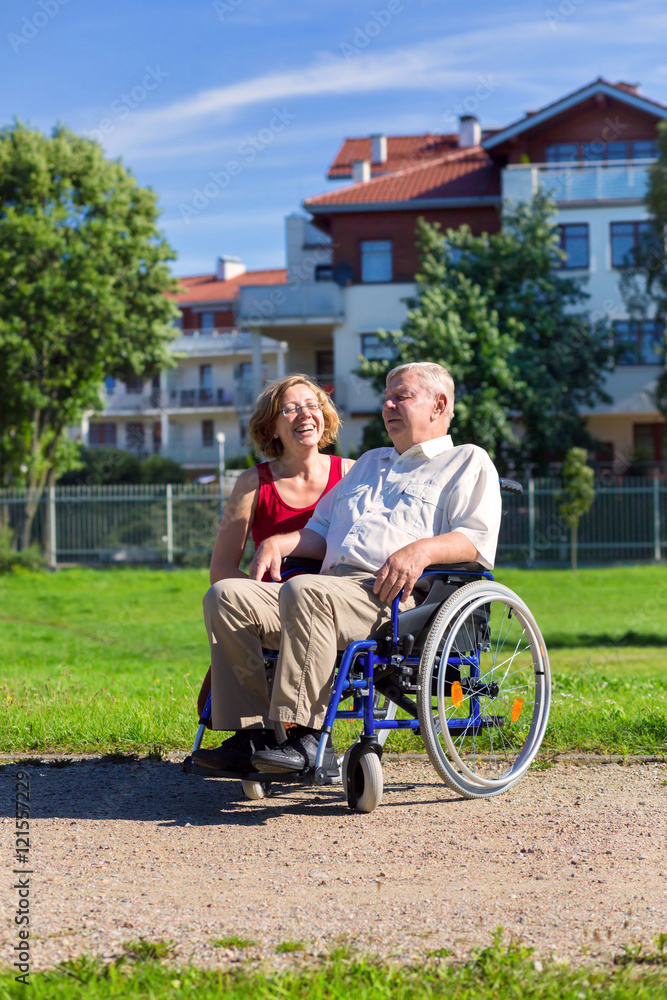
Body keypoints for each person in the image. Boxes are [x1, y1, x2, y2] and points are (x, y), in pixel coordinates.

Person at [194, 361, 502, 775]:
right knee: (227, 596)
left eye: (401, 396)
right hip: (327, 591)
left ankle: (305, 738)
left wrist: (420, 552)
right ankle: (251, 737)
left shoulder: (467, 461)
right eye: (386, 398)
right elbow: (319, 531)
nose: (388, 405)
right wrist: (279, 541)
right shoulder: (369, 464)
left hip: (390, 597)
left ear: (438, 404)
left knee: (305, 590)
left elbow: (476, 538)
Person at [195, 373, 353, 717]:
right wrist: (267, 600)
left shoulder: (352, 476)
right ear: (271, 428)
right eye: (290, 410)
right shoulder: (252, 483)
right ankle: (246, 737)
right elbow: (220, 570)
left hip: (332, 603)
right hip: (273, 602)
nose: (305, 414)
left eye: (312, 405)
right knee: (205, 704)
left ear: (324, 414)